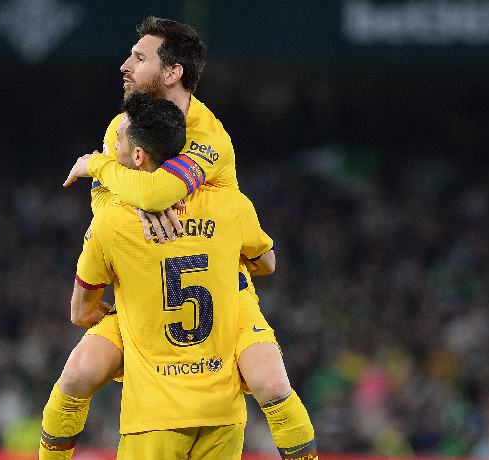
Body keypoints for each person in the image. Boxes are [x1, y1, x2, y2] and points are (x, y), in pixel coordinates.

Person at [42, 17, 317, 460]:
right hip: (147, 284)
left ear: (172, 73)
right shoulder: (123, 125)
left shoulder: (207, 134)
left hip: (219, 284)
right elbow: (104, 208)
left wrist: (97, 166)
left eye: (139, 57)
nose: (124, 66)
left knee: (270, 383)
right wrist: (134, 208)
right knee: (77, 374)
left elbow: (160, 191)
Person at [72, 91, 273, 458]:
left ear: (137, 156)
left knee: (71, 384)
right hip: (222, 413)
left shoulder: (113, 223)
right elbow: (269, 263)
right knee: (278, 392)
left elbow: (80, 312)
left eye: (118, 138)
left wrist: (132, 330)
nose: (111, 143)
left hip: (153, 414)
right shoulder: (230, 205)